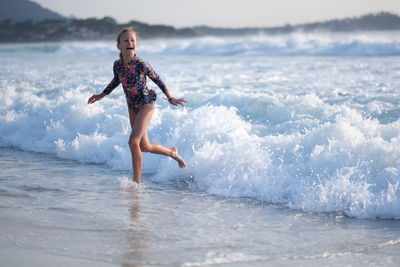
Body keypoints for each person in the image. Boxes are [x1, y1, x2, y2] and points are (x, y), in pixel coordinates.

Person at [87, 27, 186, 184]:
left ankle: (136, 184)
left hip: (146, 103)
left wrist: (170, 97)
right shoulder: (117, 65)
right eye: (125, 40)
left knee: (133, 142)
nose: (130, 42)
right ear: (118, 45)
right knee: (144, 146)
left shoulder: (141, 64)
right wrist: (101, 95)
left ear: (136, 45)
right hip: (132, 105)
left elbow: (158, 80)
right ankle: (172, 152)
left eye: (132, 40)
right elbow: (116, 81)